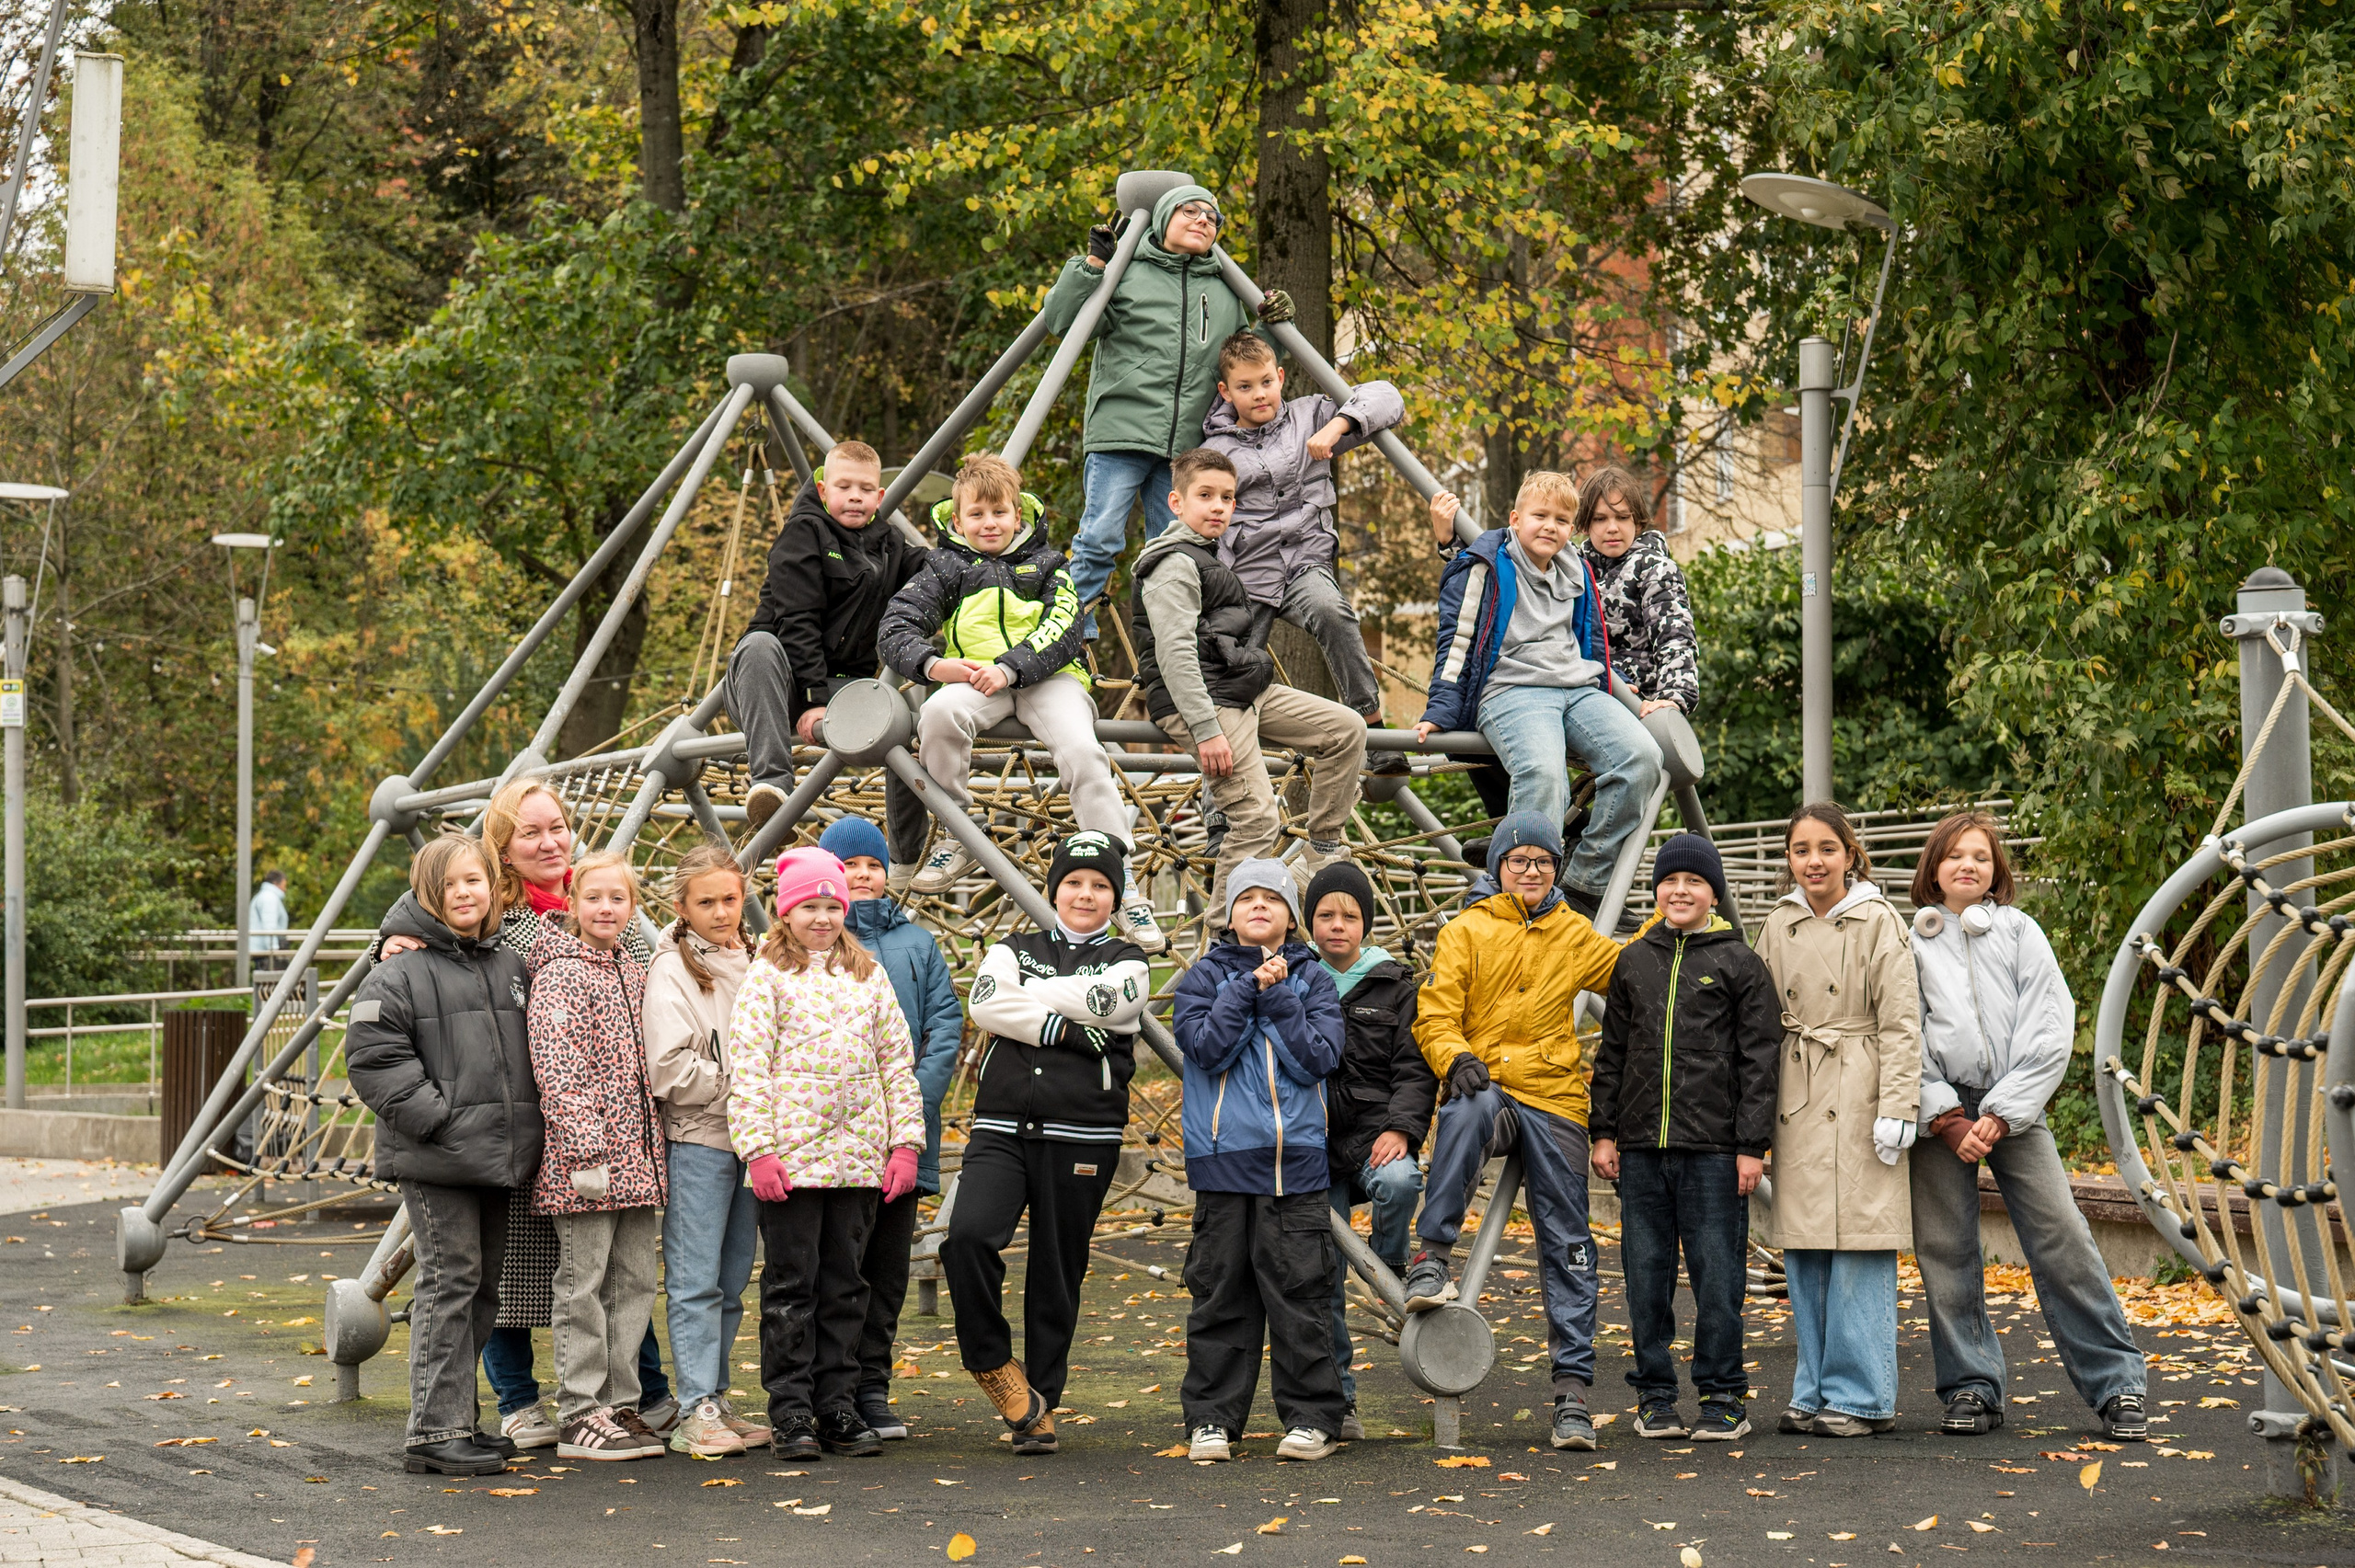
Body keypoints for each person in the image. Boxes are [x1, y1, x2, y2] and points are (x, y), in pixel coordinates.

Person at [371, 779, 666, 1450]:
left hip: (579, 1125)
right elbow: (422, 910)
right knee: (508, 1272)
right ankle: (517, 1398)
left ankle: (630, 1393)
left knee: (601, 1269)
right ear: (501, 846)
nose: (548, 841)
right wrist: (390, 937)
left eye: (556, 826)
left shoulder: (596, 895)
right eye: (529, 832)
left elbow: (645, 985)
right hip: (514, 1123)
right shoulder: (495, 914)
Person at [1402, 813, 1645, 1451]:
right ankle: (1431, 1255)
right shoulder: (1466, 930)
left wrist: (1675, 923)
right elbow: (1435, 1012)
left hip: (1553, 1094)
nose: (1531, 871)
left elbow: (1632, 969)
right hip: (1487, 1079)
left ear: (1555, 870)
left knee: (1568, 1235)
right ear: (1499, 867)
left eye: (1542, 861)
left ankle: (1572, 1393)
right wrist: (1454, 1058)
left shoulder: (1572, 933)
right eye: (1519, 860)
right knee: (1464, 1109)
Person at [1905, 810, 2148, 1442]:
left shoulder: (2019, 932)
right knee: (1945, 1249)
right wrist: (1946, 1115)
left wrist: (2000, 1114)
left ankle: (2116, 1384)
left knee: (2063, 1237)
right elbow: (1904, 1033)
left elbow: (2050, 1022)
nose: (1967, 865)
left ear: (1996, 871)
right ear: (1933, 868)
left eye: (1980, 857)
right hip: (1940, 1115)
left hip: (2016, 1107)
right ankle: (1970, 1385)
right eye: (1954, 855)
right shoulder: (1911, 940)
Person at [877, 451, 1165, 954]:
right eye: (977, 515)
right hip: (975, 676)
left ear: (1019, 513)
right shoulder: (946, 568)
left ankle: (1119, 875)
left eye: (999, 513)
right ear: (958, 520)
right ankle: (960, 831)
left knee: (1082, 750)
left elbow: (1065, 628)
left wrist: (1011, 666)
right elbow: (895, 625)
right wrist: (935, 665)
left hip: (1046, 678)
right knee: (938, 714)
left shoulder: (1049, 565)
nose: (990, 524)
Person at [945, 830, 1154, 1457]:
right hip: (1001, 1124)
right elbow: (984, 1004)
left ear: (1113, 896)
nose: (1085, 893)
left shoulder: (1130, 957)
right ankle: (994, 1366)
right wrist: (1067, 1024)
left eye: (1098, 884)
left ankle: (1038, 1403)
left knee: (1057, 1269)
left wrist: (1027, 1002)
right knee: (967, 1237)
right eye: (1074, 881)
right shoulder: (1014, 946)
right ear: (1054, 888)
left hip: (1083, 1130)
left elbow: (1115, 999)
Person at [345, 834, 539, 1476]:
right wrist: (438, 1118)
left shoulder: (507, 966)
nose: (465, 892)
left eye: (476, 881)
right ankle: (432, 1428)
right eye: (451, 883)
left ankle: (460, 1416)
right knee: (448, 1284)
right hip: (438, 1156)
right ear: (428, 892)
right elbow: (373, 1057)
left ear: (492, 889)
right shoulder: (396, 970)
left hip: (494, 1157)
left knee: (482, 1290)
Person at [727, 846, 927, 1460]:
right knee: (792, 1287)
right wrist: (757, 1149)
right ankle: (791, 1408)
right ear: (786, 911)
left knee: (846, 1285)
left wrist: (905, 1143)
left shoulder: (868, 975)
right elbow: (749, 1065)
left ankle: (838, 1401)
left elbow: (897, 1061)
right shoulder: (767, 975)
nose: (821, 916)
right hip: (792, 1164)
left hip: (858, 1162)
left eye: (831, 905)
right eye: (809, 905)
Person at [1589, 833, 1780, 1442]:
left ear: (1713, 892)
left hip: (1716, 1154)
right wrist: (1605, 1132)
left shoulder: (1740, 964)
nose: (1680, 890)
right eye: (1670, 880)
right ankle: (1654, 1395)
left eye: (1694, 881)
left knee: (1719, 1280)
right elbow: (1612, 1053)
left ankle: (1723, 1396)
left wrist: (1752, 1145)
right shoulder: (1633, 960)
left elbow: (1760, 1061)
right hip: (1642, 1150)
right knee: (1646, 1277)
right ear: (1656, 890)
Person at [1040, 182, 1286, 630]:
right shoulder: (1125, 272)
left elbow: (1247, 362)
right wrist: (1093, 263)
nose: (1202, 221)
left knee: (1174, 548)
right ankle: (1072, 628)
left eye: (1211, 217)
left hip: (1186, 447)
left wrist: (1276, 330)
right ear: (1163, 219)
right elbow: (1062, 320)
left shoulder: (1226, 289)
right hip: (1123, 428)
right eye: (1189, 211)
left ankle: (1165, 635)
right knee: (1099, 537)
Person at [1418, 475, 1664, 921]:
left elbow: (1592, 643)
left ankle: (1583, 885)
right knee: (1544, 774)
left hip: (1576, 687)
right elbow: (1458, 636)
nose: (1550, 527)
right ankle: (1523, 897)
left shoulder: (1577, 570)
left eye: (1563, 520)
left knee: (1643, 758)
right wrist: (1440, 708)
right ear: (1515, 520)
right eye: (1540, 516)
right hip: (1514, 689)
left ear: (1573, 529)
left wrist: (1634, 696)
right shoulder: (1490, 563)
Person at [1132, 447, 1367, 908]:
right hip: (1206, 704)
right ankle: (1225, 939)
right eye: (1205, 495)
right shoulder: (1174, 563)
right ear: (1177, 503)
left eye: (1227, 497)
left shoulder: (1207, 557)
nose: (1219, 506)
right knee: (1256, 819)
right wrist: (1206, 730)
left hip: (1239, 689)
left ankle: (1321, 850)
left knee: (1347, 729)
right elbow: (1176, 653)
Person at [1754, 802, 1922, 1438]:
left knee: (1861, 1243)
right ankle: (1814, 1385)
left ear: (1851, 853)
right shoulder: (1778, 922)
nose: (1814, 860)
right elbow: (1759, 1021)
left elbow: (1903, 1022)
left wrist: (1898, 1106)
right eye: (1801, 849)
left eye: (1827, 847)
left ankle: (1862, 1394)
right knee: (1804, 1248)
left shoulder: (1879, 921)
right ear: (1789, 859)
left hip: (1860, 1086)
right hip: (1797, 1086)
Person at [1172, 860, 1347, 1463]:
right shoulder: (1202, 977)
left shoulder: (1315, 981)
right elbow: (1206, 1049)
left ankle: (1313, 1417)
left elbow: (1317, 1058)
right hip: (1222, 1163)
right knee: (1219, 1294)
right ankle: (1211, 1419)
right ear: (1227, 913)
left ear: (1292, 916)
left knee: (1301, 1294)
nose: (1258, 905)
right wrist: (1248, 989)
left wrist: (1277, 999)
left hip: (1294, 1165)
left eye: (1272, 897)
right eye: (1245, 896)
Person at [818, 817, 965, 1444]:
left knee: (888, 1266)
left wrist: (911, 1106)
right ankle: (834, 1385)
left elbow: (944, 1028)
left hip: (903, 1138)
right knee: (836, 1266)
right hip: (833, 1140)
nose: (864, 875)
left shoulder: (917, 944)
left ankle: (872, 1385)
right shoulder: (812, 945)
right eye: (849, 866)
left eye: (873, 864)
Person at [1198, 333, 1407, 771]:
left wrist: (1337, 427)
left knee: (1333, 612)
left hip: (1304, 563)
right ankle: (1219, 811)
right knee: (1228, 675)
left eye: (1265, 383)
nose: (1258, 395)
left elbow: (1388, 397)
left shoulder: (1310, 416)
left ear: (1280, 377)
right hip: (1245, 577)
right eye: (1244, 387)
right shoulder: (1216, 451)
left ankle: (1375, 733)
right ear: (1225, 392)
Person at [724, 438, 930, 864]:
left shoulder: (889, 544)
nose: (854, 496)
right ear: (822, 491)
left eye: (864, 489)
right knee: (760, 645)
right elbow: (797, 621)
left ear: (880, 496)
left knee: (904, 703)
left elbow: (931, 569)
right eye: (843, 487)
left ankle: (909, 854)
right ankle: (772, 787)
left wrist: (972, 551)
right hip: (773, 684)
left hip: (842, 687)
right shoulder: (803, 533)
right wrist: (816, 700)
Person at [528, 851, 668, 1462]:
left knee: (634, 1282)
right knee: (583, 1283)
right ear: (573, 904)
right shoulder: (561, 972)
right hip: (585, 1165)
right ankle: (581, 1408)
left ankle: (621, 1400)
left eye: (618, 898)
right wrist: (586, 1148)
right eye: (594, 898)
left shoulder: (632, 972)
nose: (606, 908)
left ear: (633, 908)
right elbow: (560, 1067)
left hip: (636, 1162)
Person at [641, 841, 770, 1459]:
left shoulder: (758, 957)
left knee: (731, 1277)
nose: (722, 911)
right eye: (707, 901)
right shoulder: (672, 969)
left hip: (752, 1141)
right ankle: (693, 1406)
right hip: (702, 1142)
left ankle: (715, 1393)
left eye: (730, 898)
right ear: (682, 906)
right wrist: (742, 1084)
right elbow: (668, 1068)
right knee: (694, 1280)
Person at [1301, 860, 1431, 1441]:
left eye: (1349, 916)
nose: (1337, 925)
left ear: (1366, 925)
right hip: (1312, 1142)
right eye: (1325, 915)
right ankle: (1340, 1403)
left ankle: (1389, 1264)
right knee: (1321, 1278)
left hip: (1376, 1133)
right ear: (1309, 923)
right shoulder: (1296, 979)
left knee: (1401, 1183)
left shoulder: (1395, 986)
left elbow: (1413, 1068)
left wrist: (1402, 1128)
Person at [1574, 466, 1698, 718]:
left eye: (1622, 517)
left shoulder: (1654, 569)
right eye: (1600, 519)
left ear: (1637, 521)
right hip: (1583, 696)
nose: (1612, 528)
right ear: (1585, 525)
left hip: (1639, 704)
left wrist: (1674, 696)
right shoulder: (1572, 569)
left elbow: (1675, 637)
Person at [249, 870, 289, 969]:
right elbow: (269, 926)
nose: (285, 889)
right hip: (267, 952)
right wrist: (274, 951)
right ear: (276, 883)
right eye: (284, 885)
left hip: (262, 950)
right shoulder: (269, 898)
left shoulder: (264, 896)